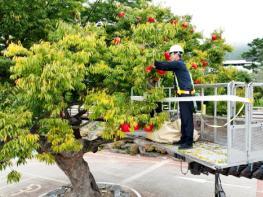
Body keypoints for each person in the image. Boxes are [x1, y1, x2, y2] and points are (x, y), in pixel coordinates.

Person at [153, 44, 195, 149]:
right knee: (184, 117)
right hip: (183, 95)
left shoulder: (178, 64)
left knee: (187, 118)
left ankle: (188, 142)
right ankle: (184, 139)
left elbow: (165, 66)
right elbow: (166, 66)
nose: (170, 56)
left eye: (171, 54)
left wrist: (154, 62)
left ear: (177, 54)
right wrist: (157, 65)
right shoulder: (178, 65)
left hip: (186, 96)